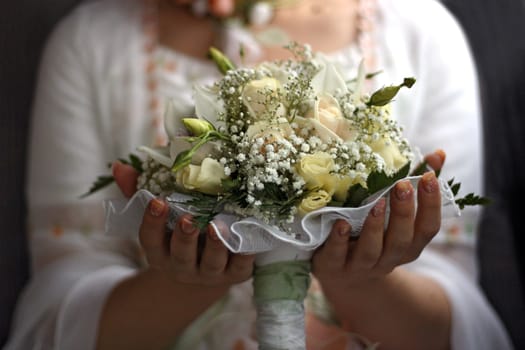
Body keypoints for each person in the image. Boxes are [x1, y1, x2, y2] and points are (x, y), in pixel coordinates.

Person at [3, 0, 513, 349]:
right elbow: (54, 315)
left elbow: (456, 312)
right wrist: (188, 282)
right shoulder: (94, 42)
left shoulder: (423, 33)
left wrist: (361, 280)